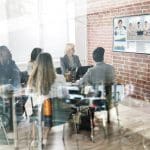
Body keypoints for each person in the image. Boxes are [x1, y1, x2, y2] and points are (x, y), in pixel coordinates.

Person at [28, 52, 67, 147]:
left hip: (41, 112)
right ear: (51, 63)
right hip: (58, 114)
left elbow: (30, 97)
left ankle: (34, 139)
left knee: (36, 112)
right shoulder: (60, 77)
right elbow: (65, 95)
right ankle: (44, 139)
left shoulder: (32, 79)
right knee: (48, 108)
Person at [78, 47, 115, 123]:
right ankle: (107, 116)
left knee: (83, 95)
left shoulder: (91, 70)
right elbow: (112, 81)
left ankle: (89, 119)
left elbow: (81, 83)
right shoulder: (111, 68)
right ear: (103, 57)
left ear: (94, 58)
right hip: (109, 98)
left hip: (96, 99)